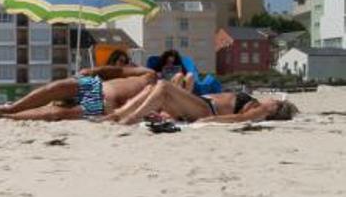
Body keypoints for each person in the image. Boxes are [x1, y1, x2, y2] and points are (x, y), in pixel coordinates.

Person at [0, 63, 155, 121]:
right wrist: (93, 70)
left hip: (108, 103)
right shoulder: (149, 73)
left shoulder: (163, 95)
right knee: (55, 88)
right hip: (97, 86)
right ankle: (13, 108)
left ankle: (11, 116)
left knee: (57, 113)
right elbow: (118, 71)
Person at [112, 79, 298, 125]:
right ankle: (116, 115)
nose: (273, 98)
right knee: (151, 89)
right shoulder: (260, 105)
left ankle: (132, 118)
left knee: (164, 85)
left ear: (276, 107)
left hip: (206, 110)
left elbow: (238, 119)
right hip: (200, 104)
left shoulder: (263, 109)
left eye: (277, 100)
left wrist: (210, 121)